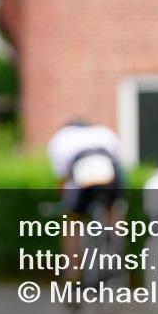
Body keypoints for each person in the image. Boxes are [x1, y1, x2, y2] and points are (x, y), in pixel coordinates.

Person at [47, 119, 126, 280]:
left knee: (72, 223)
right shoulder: (103, 132)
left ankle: (73, 275)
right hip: (109, 167)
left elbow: (62, 180)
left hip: (82, 168)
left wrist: (66, 204)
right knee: (114, 208)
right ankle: (115, 246)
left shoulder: (61, 138)